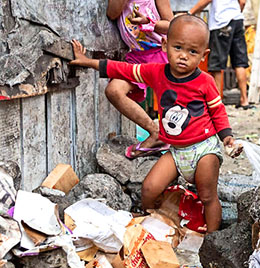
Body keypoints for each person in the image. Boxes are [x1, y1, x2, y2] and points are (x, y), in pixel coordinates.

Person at [70, 15, 241, 232]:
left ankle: (212, 239)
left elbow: (218, 112)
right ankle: (153, 227)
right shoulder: (156, 72)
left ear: (203, 56)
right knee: (149, 188)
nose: (183, 56)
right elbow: (122, 69)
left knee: (207, 195)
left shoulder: (205, 82)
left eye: (192, 52)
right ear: (164, 44)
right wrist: (88, 62)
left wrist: (227, 137)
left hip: (203, 148)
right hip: (176, 150)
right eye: (178, 47)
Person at [106, 0, 174, 159]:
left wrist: (149, 23)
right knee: (114, 90)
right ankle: (153, 131)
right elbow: (112, 13)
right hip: (136, 58)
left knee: (174, 103)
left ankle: (180, 142)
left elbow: (172, 26)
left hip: (160, 55)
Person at [188, 0, 251, 108]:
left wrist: (190, 13)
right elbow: (242, 1)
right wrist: (235, 13)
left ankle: (216, 103)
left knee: (217, 64)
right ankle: (245, 100)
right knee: (240, 62)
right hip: (237, 19)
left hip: (221, 22)